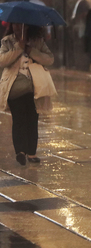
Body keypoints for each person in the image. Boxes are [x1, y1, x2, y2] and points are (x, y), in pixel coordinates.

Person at [0, 23, 54, 165]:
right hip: (15, 88)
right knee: (19, 121)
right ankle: (20, 151)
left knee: (32, 120)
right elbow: (2, 61)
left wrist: (31, 51)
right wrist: (19, 47)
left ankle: (31, 153)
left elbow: (49, 59)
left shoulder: (37, 41)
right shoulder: (7, 41)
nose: (18, 27)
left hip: (34, 88)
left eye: (22, 24)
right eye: (15, 24)